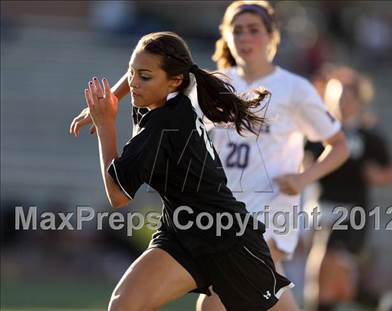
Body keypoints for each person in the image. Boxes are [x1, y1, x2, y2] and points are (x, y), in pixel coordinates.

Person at [69, 2, 349, 310]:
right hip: (191, 222)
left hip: (253, 221)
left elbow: (339, 145)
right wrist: (111, 100)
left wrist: (302, 178)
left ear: (272, 37)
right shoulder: (212, 84)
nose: (244, 37)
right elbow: (156, 60)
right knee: (138, 304)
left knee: (214, 306)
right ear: (226, 37)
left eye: (253, 30)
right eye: (237, 30)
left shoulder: (295, 89)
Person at [304, 65, 392, 311]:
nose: (342, 101)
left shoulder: (370, 136)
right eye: (336, 95)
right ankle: (383, 304)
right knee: (324, 285)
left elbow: (390, 173)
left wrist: (376, 175)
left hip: (352, 215)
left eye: (347, 95)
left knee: (330, 263)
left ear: (359, 99)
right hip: (321, 212)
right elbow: (305, 163)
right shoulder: (320, 133)